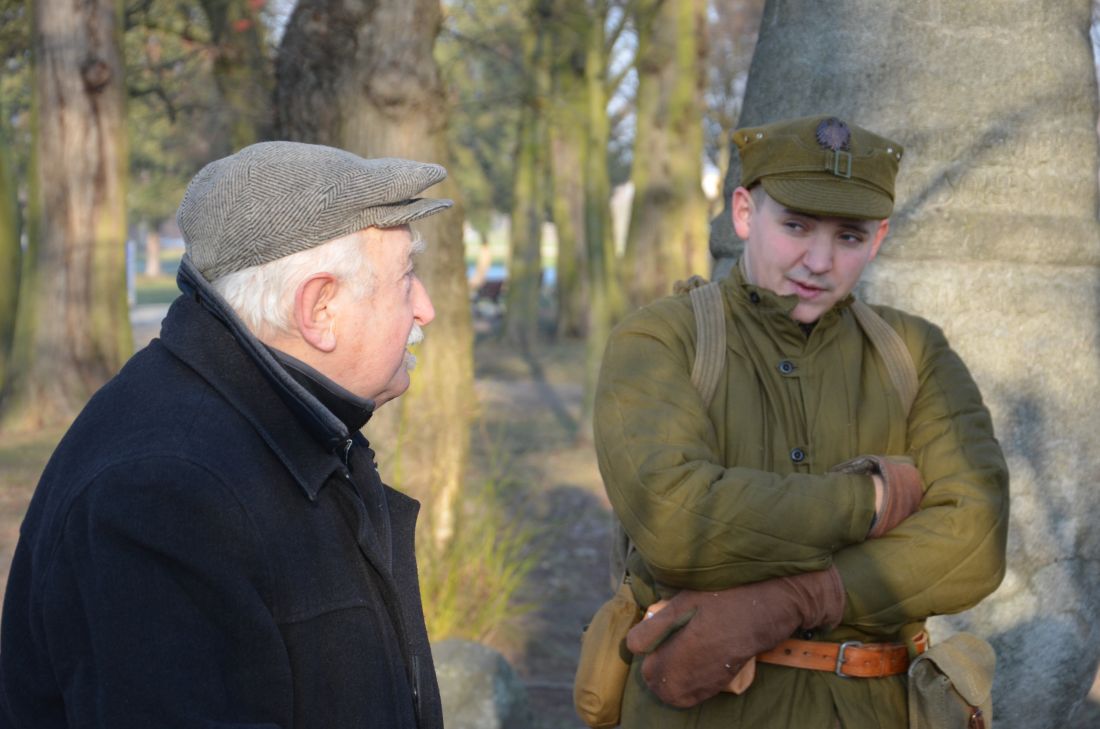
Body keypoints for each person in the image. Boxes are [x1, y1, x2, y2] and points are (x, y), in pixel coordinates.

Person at [0, 142, 452, 729]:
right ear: (319, 309)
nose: (425, 309)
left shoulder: (274, 425)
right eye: (406, 278)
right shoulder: (161, 495)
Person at [593, 115, 1009, 728]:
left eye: (849, 236)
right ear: (744, 213)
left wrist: (796, 597)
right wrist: (873, 502)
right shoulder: (661, 339)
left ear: (878, 238)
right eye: (795, 226)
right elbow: (677, 525)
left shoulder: (916, 353)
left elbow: (974, 540)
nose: (819, 260)